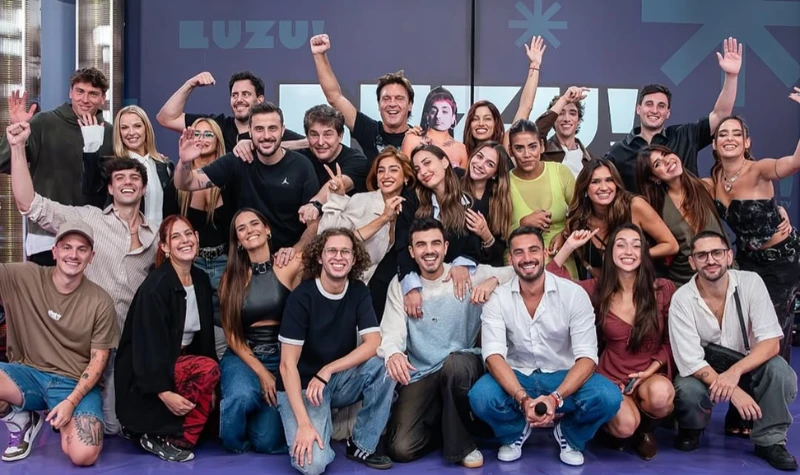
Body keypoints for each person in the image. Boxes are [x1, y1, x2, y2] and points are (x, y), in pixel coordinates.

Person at [7, 122, 158, 435]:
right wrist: (18, 147)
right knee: (83, 427)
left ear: (143, 189)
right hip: (81, 344)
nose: (127, 183)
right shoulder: (88, 218)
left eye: (134, 178)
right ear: (110, 189)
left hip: (124, 344)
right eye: (120, 178)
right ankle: (36, 409)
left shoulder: (155, 237)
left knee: (114, 428)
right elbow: (29, 204)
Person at [468, 226, 622, 466]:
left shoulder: (573, 294)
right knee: (480, 397)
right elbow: (493, 355)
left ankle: (570, 435)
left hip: (563, 376)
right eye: (519, 252)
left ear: (545, 254)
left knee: (609, 397)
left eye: (533, 250)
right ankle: (514, 432)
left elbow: (587, 357)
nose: (527, 258)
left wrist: (555, 398)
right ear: (510, 259)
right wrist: (522, 399)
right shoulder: (497, 298)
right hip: (518, 375)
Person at [379, 218, 515, 468]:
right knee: (401, 448)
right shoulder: (401, 287)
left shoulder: (466, 273)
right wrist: (394, 353)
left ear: (445, 247)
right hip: (424, 372)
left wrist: (493, 281)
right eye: (421, 245)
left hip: (464, 365)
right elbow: (391, 331)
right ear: (411, 252)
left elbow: (516, 271)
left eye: (435, 243)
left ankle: (464, 446)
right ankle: (446, 428)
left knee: (455, 365)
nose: (429, 250)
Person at [669, 230, 798, 471]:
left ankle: (770, 441)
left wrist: (734, 374)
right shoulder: (681, 299)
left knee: (780, 373)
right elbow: (690, 360)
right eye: (702, 255)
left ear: (729, 256)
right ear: (692, 262)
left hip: (746, 364)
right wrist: (735, 393)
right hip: (705, 368)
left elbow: (771, 343)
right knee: (686, 390)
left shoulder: (751, 282)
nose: (710, 260)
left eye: (717, 253)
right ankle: (692, 428)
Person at [548, 225, 676, 460]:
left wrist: (651, 370)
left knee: (661, 395)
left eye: (636, 245)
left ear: (644, 252)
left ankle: (645, 430)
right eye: (621, 245)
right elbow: (552, 279)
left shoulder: (663, 289)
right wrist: (569, 246)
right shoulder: (597, 290)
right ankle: (611, 426)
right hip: (611, 376)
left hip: (649, 373)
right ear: (610, 253)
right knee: (625, 426)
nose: (628, 251)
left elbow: (672, 341)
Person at [277, 228, 395, 474]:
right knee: (312, 466)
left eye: (345, 252)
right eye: (331, 250)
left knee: (387, 365)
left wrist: (328, 370)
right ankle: (317, 426)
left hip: (336, 379)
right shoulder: (302, 297)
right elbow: (287, 366)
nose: (338, 257)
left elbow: (373, 343)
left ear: (354, 259)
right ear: (319, 257)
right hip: (302, 385)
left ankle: (362, 445)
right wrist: (304, 424)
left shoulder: (358, 291)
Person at [0, 221, 117, 466]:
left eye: (82, 249)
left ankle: (62, 421)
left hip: (73, 383)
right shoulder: (25, 276)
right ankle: (20, 421)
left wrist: (70, 403)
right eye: (66, 247)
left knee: (83, 455)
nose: (73, 255)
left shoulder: (101, 301)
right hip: (28, 374)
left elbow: (99, 360)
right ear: (54, 251)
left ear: (91, 257)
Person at [115, 215, 219, 462]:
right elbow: (146, 347)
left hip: (183, 360)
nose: (185, 240)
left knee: (211, 388)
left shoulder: (201, 280)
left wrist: (213, 386)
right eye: (176, 237)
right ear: (164, 247)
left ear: (197, 238)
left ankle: (173, 435)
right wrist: (162, 392)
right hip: (149, 369)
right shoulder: (156, 286)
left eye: (188, 234)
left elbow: (205, 340)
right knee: (207, 369)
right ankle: (163, 437)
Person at [707, 101, 800, 363]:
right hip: (748, 262)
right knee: (744, 328)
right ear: (714, 144)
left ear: (746, 142)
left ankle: (777, 386)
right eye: (723, 134)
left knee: (771, 333)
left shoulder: (759, 170)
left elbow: (795, 162)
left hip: (782, 262)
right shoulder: (714, 180)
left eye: (737, 134)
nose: (730, 138)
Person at [173, 102, 320, 261]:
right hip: (248, 260)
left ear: (282, 130)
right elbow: (185, 183)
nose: (266, 136)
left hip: (289, 259)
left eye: (272, 128)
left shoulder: (302, 166)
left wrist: (294, 250)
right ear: (249, 131)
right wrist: (184, 162)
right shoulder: (238, 160)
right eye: (259, 129)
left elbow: (314, 223)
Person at [0, 69, 114, 265]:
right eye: (80, 91)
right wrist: (16, 131)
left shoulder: (110, 132)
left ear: (103, 98)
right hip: (45, 237)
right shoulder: (42, 123)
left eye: (93, 94)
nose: (85, 99)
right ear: (70, 92)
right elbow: (3, 162)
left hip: (92, 238)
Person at [217, 208, 305, 454]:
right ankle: (234, 435)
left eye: (255, 223)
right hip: (244, 356)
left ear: (267, 229)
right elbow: (231, 335)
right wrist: (263, 374)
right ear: (238, 241)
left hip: (282, 357)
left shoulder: (291, 264)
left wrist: (385, 218)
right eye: (241, 228)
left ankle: (254, 415)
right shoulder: (230, 279)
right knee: (242, 396)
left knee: (267, 441)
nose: (249, 230)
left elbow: (329, 250)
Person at [605, 37, 741, 191]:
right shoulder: (618, 151)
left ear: (668, 113)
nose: (654, 110)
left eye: (661, 106)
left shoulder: (685, 135)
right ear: (638, 109)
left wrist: (731, 77)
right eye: (649, 104)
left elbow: (721, 115)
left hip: (688, 207)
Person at [163, 117, 236, 358]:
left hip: (224, 262)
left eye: (208, 134)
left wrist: (234, 266)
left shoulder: (230, 179)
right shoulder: (178, 181)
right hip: (191, 264)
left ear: (218, 140)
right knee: (189, 325)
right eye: (197, 134)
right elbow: (169, 225)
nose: (202, 139)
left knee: (225, 328)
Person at [318, 146, 413, 317]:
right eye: (381, 171)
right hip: (336, 287)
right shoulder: (362, 200)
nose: (386, 175)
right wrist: (383, 218)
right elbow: (328, 239)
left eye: (393, 170)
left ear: (406, 177)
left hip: (362, 294)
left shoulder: (404, 210)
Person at [397, 144, 480, 320]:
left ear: (444, 162)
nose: (423, 172)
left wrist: (462, 264)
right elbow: (403, 245)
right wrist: (411, 287)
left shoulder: (467, 200)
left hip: (453, 287)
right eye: (417, 169)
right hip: (421, 282)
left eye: (427, 163)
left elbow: (473, 244)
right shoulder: (411, 199)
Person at [563, 158, 678, 278]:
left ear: (616, 184)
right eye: (595, 182)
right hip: (609, 286)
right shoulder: (579, 222)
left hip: (647, 281)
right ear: (585, 188)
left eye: (609, 180)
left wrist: (634, 255)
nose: (604, 187)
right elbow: (596, 271)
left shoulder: (634, 206)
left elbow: (671, 245)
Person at [635, 145, 729, 286]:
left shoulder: (706, 187)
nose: (667, 161)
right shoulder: (656, 208)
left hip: (725, 276)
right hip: (685, 283)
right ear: (654, 178)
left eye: (666, 154)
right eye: (657, 164)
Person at [311, 34, 412, 162]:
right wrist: (319, 55)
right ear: (379, 104)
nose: (392, 103)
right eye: (386, 98)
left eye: (399, 98)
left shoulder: (420, 139)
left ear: (410, 105)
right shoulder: (370, 131)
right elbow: (335, 98)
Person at [156, 70, 306, 153]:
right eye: (234, 95)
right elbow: (166, 118)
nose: (239, 99)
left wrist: (261, 145)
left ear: (260, 99)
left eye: (246, 94)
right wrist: (189, 85)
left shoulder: (272, 133)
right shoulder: (216, 126)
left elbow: (308, 143)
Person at [81, 105, 174, 229]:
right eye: (124, 128)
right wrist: (91, 148)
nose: (131, 132)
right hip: (123, 237)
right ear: (119, 132)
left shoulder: (165, 166)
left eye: (137, 126)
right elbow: (90, 190)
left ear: (146, 129)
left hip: (159, 238)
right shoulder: (110, 166)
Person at [507, 118, 577, 274]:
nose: (527, 154)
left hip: (561, 257)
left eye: (532, 147)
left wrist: (564, 234)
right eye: (519, 148)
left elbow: (582, 213)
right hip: (521, 264)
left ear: (542, 146)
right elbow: (495, 233)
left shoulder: (560, 172)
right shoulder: (504, 182)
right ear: (510, 150)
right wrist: (522, 224)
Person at [463, 36, 545, 157]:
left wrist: (534, 65)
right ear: (469, 124)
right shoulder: (462, 152)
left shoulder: (505, 145)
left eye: (487, 118)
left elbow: (525, 107)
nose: (481, 123)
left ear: (496, 123)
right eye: (475, 119)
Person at [295, 105, 370, 222]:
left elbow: (338, 184)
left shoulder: (357, 160)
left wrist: (314, 204)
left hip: (347, 227)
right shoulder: (300, 158)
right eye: (314, 135)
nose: (320, 142)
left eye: (327, 135)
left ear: (340, 136)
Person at [461, 141, 513, 266]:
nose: (480, 165)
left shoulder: (497, 202)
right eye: (479, 157)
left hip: (482, 268)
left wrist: (485, 234)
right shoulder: (453, 179)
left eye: (489, 164)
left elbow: (498, 253)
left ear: (495, 174)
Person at [403, 87, 467, 169]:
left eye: (444, 112)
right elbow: (405, 174)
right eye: (434, 111)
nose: (438, 116)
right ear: (427, 116)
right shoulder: (412, 140)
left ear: (453, 118)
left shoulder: (461, 149)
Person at [537, 89, 594, 177]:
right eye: (561, 113)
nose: (567, 119)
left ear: (578, 120)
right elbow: (535, 132)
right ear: (553, 120)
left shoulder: (589, 158)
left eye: (572, 113)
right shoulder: (542, 151)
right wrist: (564, 100)